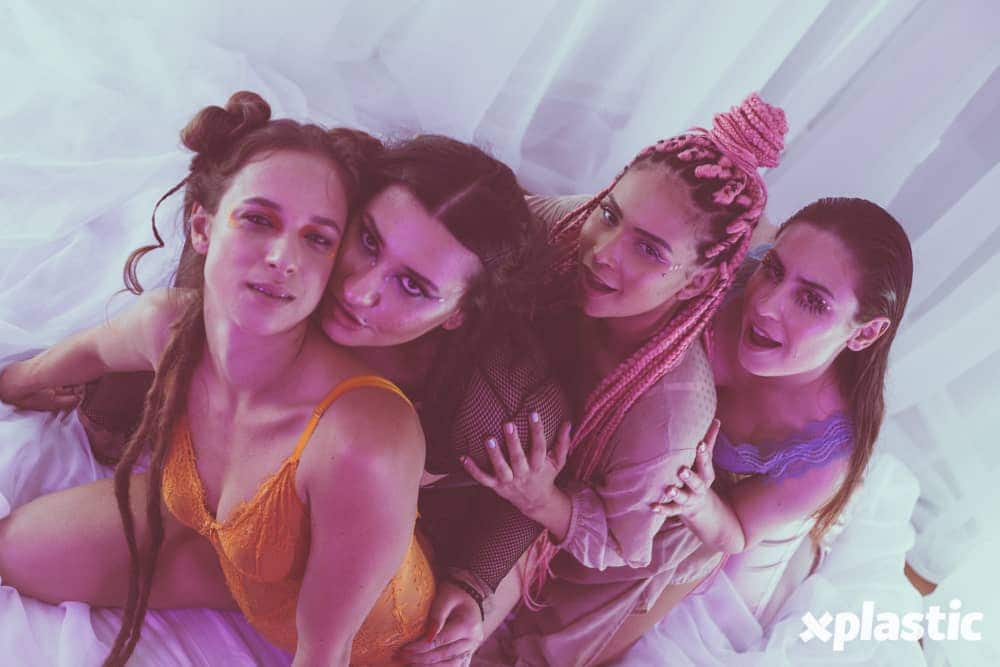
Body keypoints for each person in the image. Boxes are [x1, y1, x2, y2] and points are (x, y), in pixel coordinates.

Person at [67, 133, 571, 665]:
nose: (357, 291)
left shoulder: (493, 402)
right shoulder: (286, 260)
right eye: (368, 241)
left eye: (413, 286)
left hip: (395, 549)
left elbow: (528, 498)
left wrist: (474, 584)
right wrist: (110, 409)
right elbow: (188, 326)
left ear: (458, 313)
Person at [0, 91, 435, 666]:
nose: (283, 257)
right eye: (258, 219)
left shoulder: (362, 437)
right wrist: (15, 382)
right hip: (225, 552)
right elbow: (90, 351)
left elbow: (324, 653)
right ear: (202, 228)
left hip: (357, 637)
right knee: (11, 552)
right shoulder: (167, 328)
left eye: (317, 238)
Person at [466, 93, 790, 666]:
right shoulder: (574, 227)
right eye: (613, 214)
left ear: (695, 283)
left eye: (649, 250)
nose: (604, 253)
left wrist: (544, 501)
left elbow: (620, 543)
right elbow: (486, 220)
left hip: (624, 531)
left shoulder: (671, 411)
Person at [645, 197, 913, 632]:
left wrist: (698, 504)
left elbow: (736, 532)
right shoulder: (734, 277)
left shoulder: (822, 455)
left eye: (811, 300)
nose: (766, 305)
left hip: (749, 512)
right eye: (773, 269)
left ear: (864, 334)